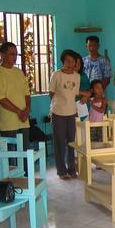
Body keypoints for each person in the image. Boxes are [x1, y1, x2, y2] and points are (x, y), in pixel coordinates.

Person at [0, 42, 31, 150]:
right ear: (2, 55)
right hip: (8, 123)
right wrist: (19, 112)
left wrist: (27, 109)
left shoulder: (19, 72)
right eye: (12, 54)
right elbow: (0, 98)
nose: (15, 57)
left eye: (16, 54)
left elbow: (27, 93)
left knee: (25, 153)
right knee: (11, 157)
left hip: (23, 121)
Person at [49, 50, 81, 180]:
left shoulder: (76, 76)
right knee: (59, 143)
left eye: (73, 61)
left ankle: (72, 169)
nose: (70, 63)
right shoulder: (56, 74)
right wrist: (58, 105)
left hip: (72, 113)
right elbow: (51, 93)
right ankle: (61, 171)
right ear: (63, 61)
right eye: (67, 61)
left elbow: (75, 94)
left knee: (71, 142)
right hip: (58, 113)